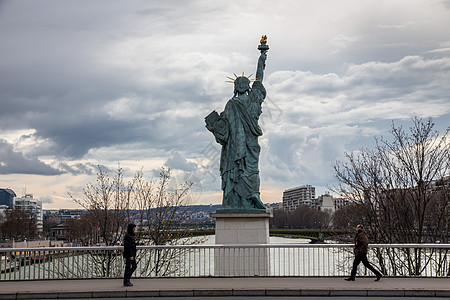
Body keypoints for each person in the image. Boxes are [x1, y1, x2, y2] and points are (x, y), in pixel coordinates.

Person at [205, 48, 268, 211]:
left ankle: (240, 199)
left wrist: (214, 126)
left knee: (237, 171)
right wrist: (261, 61)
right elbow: (259, 79)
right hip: (250, 144)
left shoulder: (231, 104)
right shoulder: (254, 98)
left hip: (236, 147)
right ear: (247, 87)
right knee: (252, 171)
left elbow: (224, 133)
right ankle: (251, 195)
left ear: (236, 87)